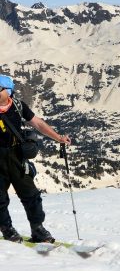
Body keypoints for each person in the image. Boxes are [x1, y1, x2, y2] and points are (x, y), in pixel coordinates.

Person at [0, 74, 71, 243]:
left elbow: (37, 123)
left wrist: (58, 138)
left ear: (7, 91)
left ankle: (37, 229)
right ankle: (7, 229)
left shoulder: (18, 106)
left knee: (31, 194)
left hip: (17, 156)